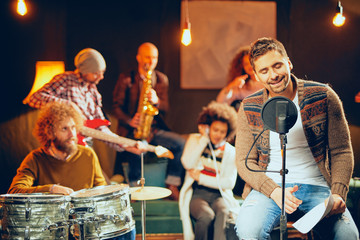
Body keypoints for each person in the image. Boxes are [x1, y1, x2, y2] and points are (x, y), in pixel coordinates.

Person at [235, 37, 359, 239]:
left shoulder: (323, 96)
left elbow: (341, 151)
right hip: (270, 188)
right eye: (264, 71)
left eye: (277, 66)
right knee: (250, 231)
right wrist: (273, 190)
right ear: (256, 75)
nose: (273, 75)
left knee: (348, 236)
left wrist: (337, 194)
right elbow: (244, 161)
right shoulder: (249, 107)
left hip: (319, 187)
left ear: (289, 63)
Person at [8, 102, 136, 240]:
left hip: (84, 228)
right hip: (51, 229)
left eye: (74, 127)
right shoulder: (35, 159)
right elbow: (14, 191)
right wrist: (51, 189)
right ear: (49, 132)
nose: (72, 134)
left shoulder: (88, 154)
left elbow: (100, 189)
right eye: (64, 129)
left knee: (125, 230)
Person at [27, 48, 144, 183]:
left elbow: (101, 128)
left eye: (102, 73)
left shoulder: (93, 91)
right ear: (84, 71)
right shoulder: (65, 80)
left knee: (102, 185)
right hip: (64, 145)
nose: (101, 77)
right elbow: (35, 98)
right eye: (96, 73)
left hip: (85, 145)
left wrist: (124, 145)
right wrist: (67, 104)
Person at [112, 42, 185, 200]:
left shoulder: (161, 79)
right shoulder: (127, 78)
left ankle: (171, 184)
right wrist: (130, 120)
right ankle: (134, 191)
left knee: (180, 143)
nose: (150, 61)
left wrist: (157, 101)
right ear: (138, 58)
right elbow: (116, 107)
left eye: (154, 58)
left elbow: (165, 108)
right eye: (147, 57)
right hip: (132, 130)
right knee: (137, 152)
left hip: (153, 129)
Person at [179, 101, 240, 240]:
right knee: (206, 216)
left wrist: (200, 177)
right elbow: (187, 163)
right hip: (198, 194)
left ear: (228, 132)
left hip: (219, 195)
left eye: (222, 131)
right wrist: (204, 139)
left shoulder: (230, 152)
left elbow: (229, 183)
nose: (218, 134)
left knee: (224, 211)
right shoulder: (196, 140)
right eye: (215, 130)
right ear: (208, 128)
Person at [216, 46, 263, 111]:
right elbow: (221, 103)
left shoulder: (266, 82)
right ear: (242, 67)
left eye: (251, 62)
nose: (249, 66)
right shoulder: (241, 85)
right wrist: (231, 86)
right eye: (246, 64)